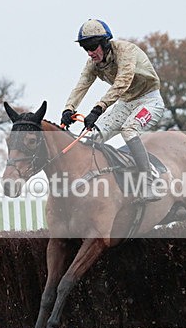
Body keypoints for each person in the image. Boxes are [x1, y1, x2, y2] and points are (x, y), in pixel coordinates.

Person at [61, 19, 166, 202]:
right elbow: (81, 86)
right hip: (126, 103)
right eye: (86, 47)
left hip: (149, 100)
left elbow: (121, 84)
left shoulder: (126, 51)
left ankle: (151, 182)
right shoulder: (92, 63)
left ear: (105, 42)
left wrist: (98, 109)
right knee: (90, 137)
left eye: (93, 46)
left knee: (129, 129)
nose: (90, 52)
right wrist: (68, 109)